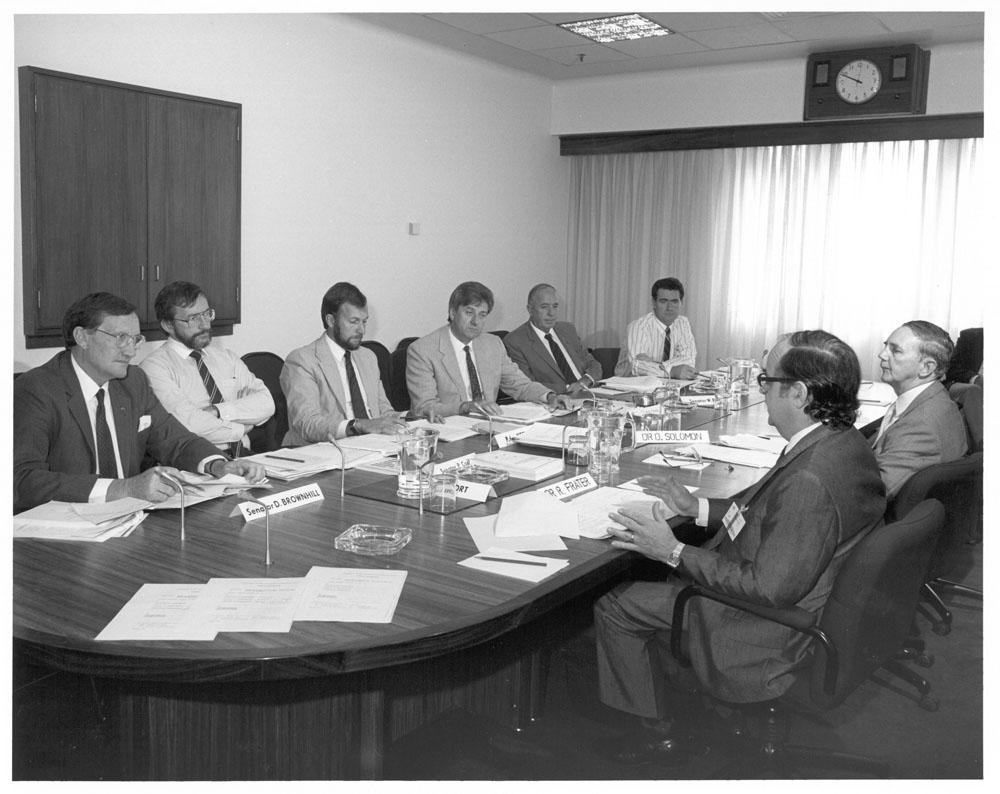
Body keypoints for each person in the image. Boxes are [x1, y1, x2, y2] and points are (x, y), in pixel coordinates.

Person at [593, 330, 885, 765]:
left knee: (616, 604)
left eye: (767, 382)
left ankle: (659, 735)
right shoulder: (840, 443)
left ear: (799, 393)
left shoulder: (811, 478)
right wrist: (696, 506)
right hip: (809, 591)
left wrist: (671, 551)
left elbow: (768, 588)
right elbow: (770, 515)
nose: (761, 391)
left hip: (763, 629)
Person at [13, 292, 266, 514]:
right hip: (64, 530)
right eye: (121, 337)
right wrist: (123, 488)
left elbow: (175, 439)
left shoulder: (133, 381)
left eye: (135, 339)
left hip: (130, 520)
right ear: (82, 337)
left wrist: (219, 464)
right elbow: (22, 480)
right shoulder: (37, 390)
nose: (130, 350)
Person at [139, 281, 274, 456]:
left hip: (246, 455)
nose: (205, 325)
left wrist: (217, 411)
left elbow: (266, 403)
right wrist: (244, 426)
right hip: (198, 464)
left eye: (206, 314)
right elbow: (188, 426)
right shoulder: (154, 368)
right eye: (193, 318)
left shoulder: (226, 357)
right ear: (168, 325)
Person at [406, 281, 574, 417]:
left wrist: (551, 396)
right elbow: (424, 407)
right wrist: (466, 407)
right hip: (450, 429)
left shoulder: (493, 344)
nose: (475, 321)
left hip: (490, 426)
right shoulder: (422, 350)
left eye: (482, 315)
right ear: (452, 313)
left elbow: (520, 385)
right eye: (469, 312)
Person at [281, 282, 406, 445]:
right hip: (326, 450)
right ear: (331, 320)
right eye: (354, 321)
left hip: (374, 446)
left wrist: (411, 416)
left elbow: (384, 413)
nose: (362, 330)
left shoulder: (368, 357)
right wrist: (357, 426)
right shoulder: (302, 360)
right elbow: (307, 424)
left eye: (364, 322)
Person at [873, 321, 968, 499]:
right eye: (886, 346)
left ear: (926, 368)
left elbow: (872, 495)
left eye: (896, 350)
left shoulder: (920, 426)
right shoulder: (933, 398)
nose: (881, 355)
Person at [503, 283, 603, 396]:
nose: (551, 313)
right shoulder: (515, 341)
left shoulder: (568, 329)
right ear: (530, 310)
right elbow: (527, 384)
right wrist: (569, 388)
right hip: (555, 400)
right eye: (544, 307)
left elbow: (593, 364)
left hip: (589, 392)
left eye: (555, 306)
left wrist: (585, 381)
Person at [614, 277, 696, 379]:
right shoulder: (638, 327)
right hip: (629, 387)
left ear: (681, 303)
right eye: (663, 302)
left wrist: (655, 364)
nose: (669, 308)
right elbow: (638, 367)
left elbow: (689, 360)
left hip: (667, 385)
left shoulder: (683, 324)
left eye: (674, 302)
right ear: (653, 302)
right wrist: (671, 371)